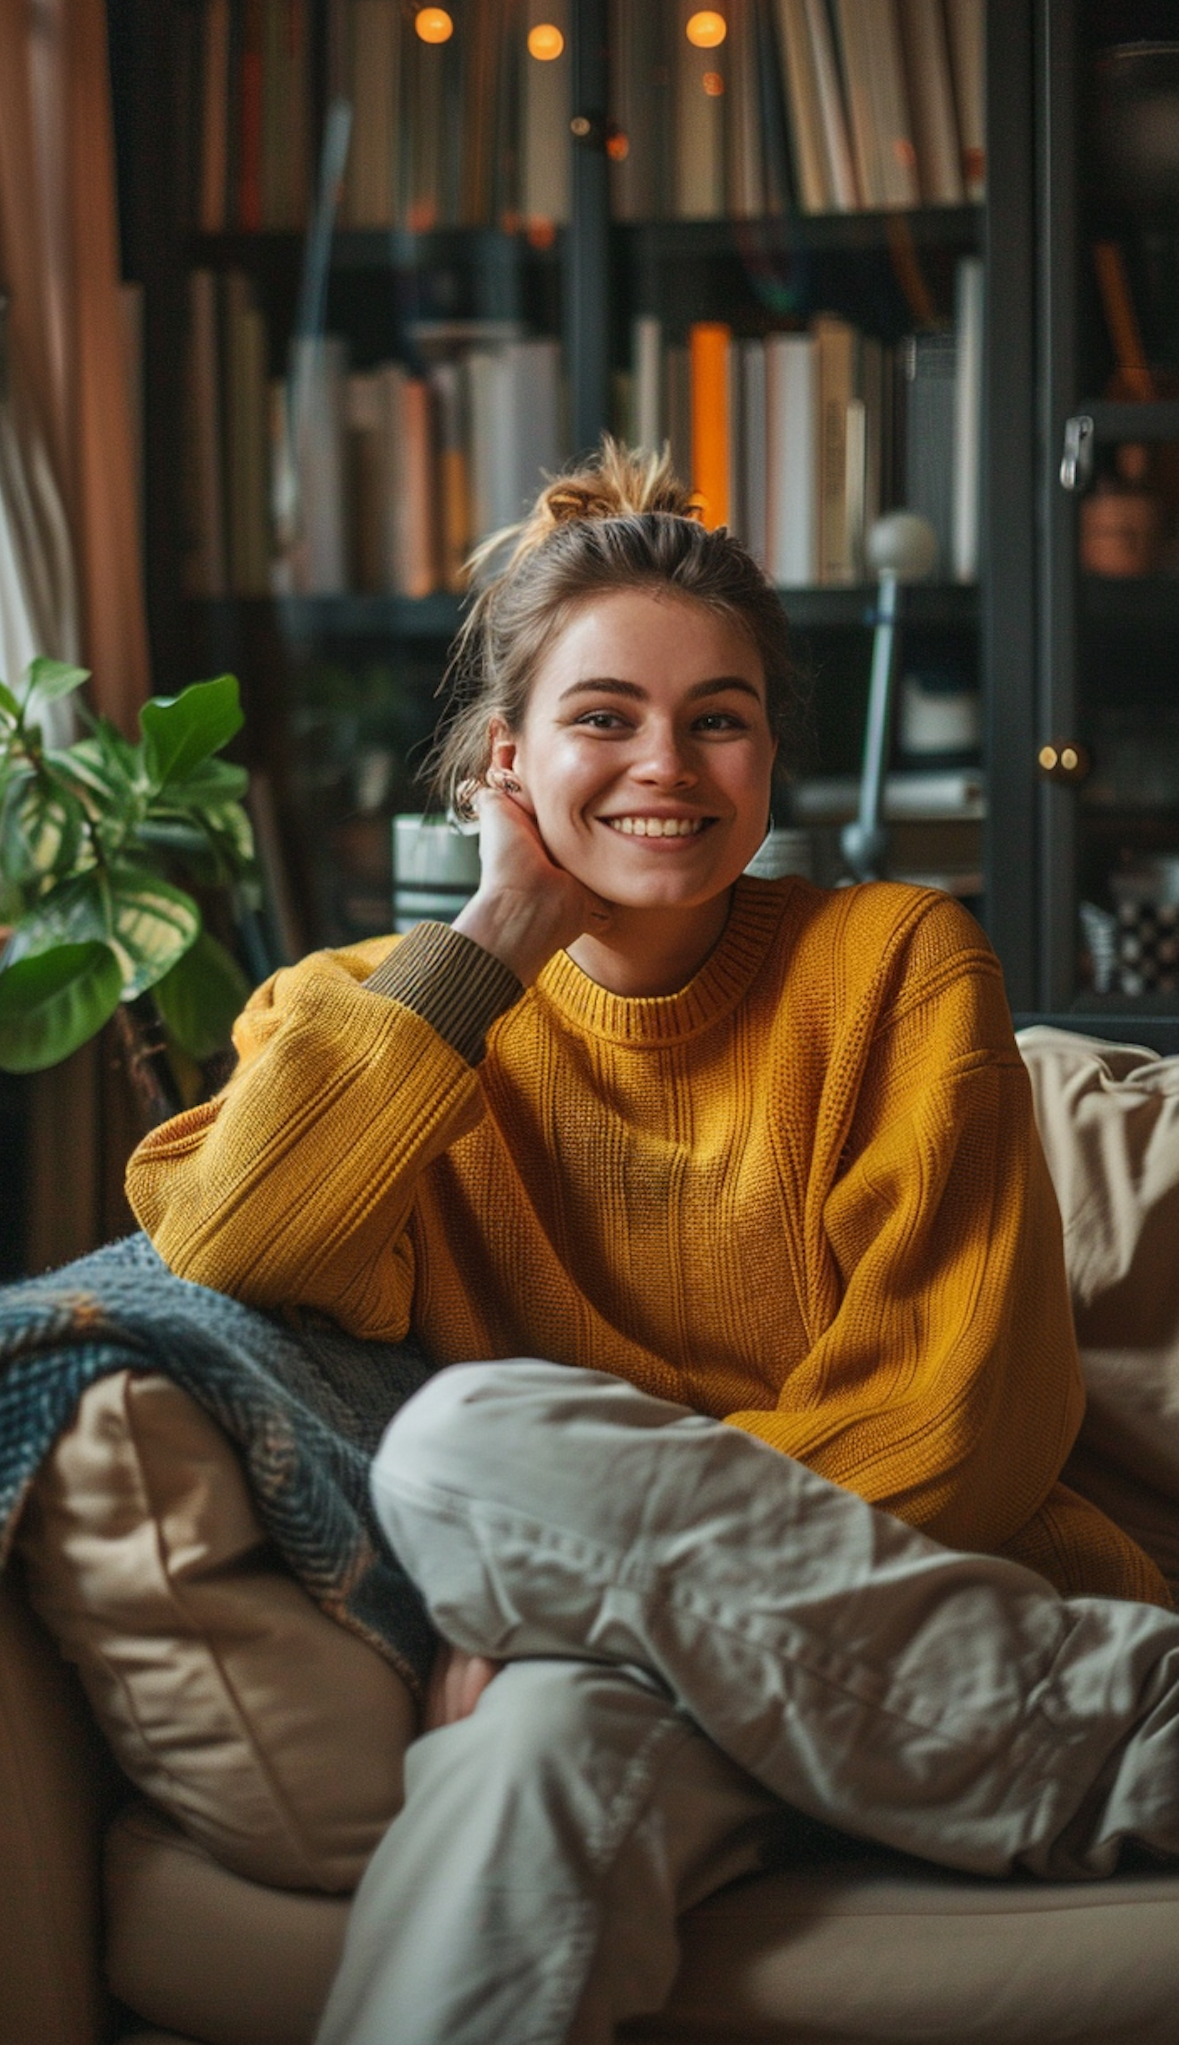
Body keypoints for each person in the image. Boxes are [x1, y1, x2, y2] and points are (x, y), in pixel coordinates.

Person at [126, 444, 1179, 2045]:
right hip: (645, 1683)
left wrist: (565, 1593)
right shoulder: (369, 1014)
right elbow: (233, 1239)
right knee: (521, 1725)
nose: (664, 766)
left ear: (768, 754)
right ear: (504, 759)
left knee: (467, 1461)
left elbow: (962, 1420)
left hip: (912, 1604)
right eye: (602, 716)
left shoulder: (894, 964)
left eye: (719, 718)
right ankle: (1139, 1737)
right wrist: (488, 946)